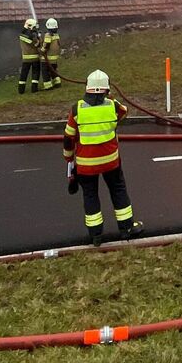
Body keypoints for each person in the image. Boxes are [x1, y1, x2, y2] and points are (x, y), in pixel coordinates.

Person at [62, 69, 145, 246]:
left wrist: (68, 158)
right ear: (107, 90)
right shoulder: (112, 106)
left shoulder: (77, 110)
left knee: (90, 196)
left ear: (87, 88)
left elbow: (68, 138)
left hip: (86, 166)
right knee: (118, 191)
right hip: (111, 162)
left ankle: (96, 235)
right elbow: (124, 112)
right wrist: (111, 98)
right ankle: (127, 228)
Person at [18, 18, 43, 94]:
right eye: (34, 27)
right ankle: (34, 89)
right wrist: (38, 37)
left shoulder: (22, 34)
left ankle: (21, 90)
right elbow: (37, 45)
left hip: (25, 59)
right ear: (30, 26)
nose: (35, 29)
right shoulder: (32, 35)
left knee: (24, 74)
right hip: (35, 58)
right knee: (35, 73)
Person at [41, 17, 62, 89]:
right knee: (54, 71)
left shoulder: (48, 35)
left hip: (47, 59)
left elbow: (46, 45)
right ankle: (57, 83)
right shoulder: (56, 35)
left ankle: (48, 86)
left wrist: (42, 50)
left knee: (45, 72)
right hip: (54, 58)